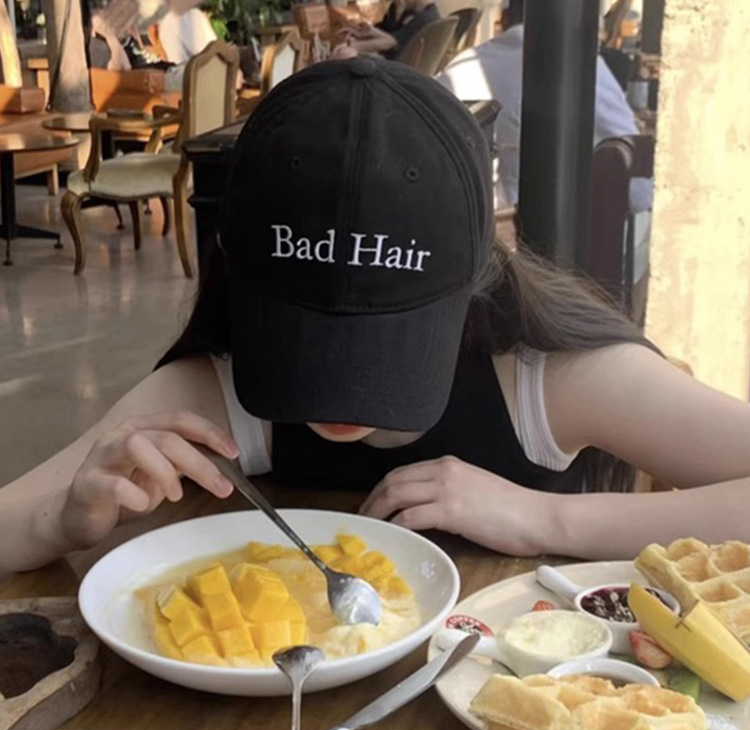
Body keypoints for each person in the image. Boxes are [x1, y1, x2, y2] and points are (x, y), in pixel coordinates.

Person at [0, 59, 748, 582]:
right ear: (233, 267)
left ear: (479, 272)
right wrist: (59, 522)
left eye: (383, 332)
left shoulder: (545, 378)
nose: (339, 394)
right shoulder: (210, 393)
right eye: (305, 332)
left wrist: (541, 519)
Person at [436, 0, 653, 214]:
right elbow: (639, 193)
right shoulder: (586, 69)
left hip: (459, 227)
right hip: (558, 230)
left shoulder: (456, 71)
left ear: (504, 17)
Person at [336, 0, 440, 59]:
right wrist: (367, 33)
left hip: (395, 66)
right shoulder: (420, 13)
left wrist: (352, 46)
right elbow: (396, 37)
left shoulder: (424, 19)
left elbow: (389, 43)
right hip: (392, 56)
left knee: (344, 54)